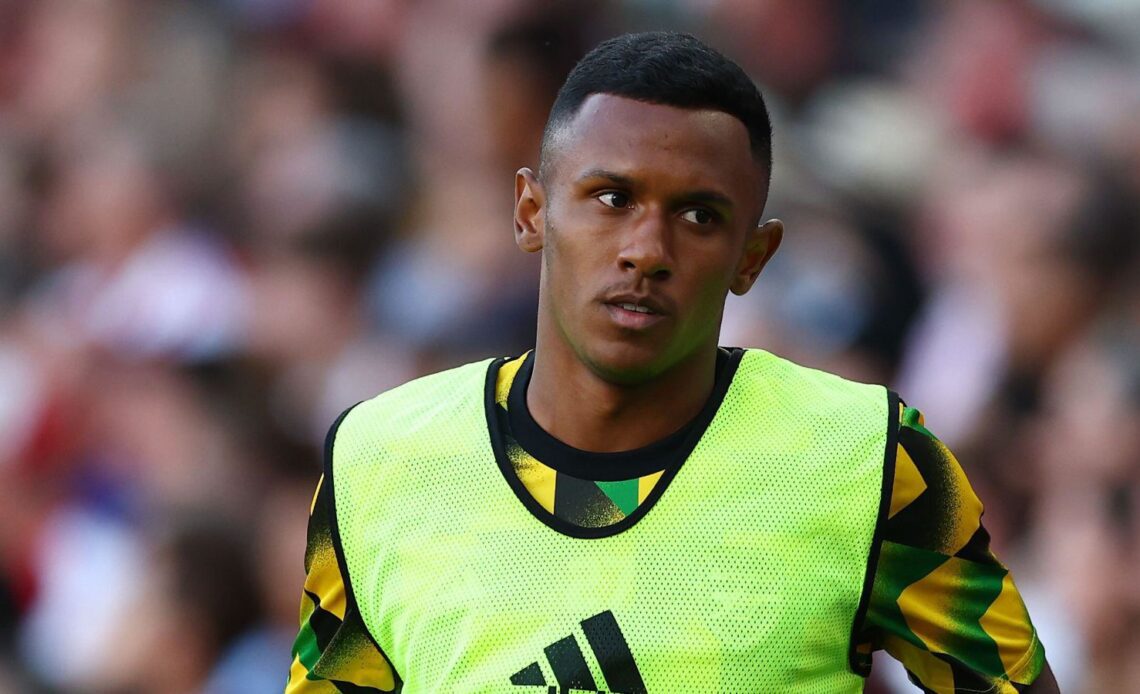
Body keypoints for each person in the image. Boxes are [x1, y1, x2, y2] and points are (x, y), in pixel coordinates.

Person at [285, 32, 1059, 693]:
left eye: (699, 215)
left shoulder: (871, 460)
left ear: (753, 256)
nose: (646, 252)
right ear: (531, 213)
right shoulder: (377, 462)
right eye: (612, 198)